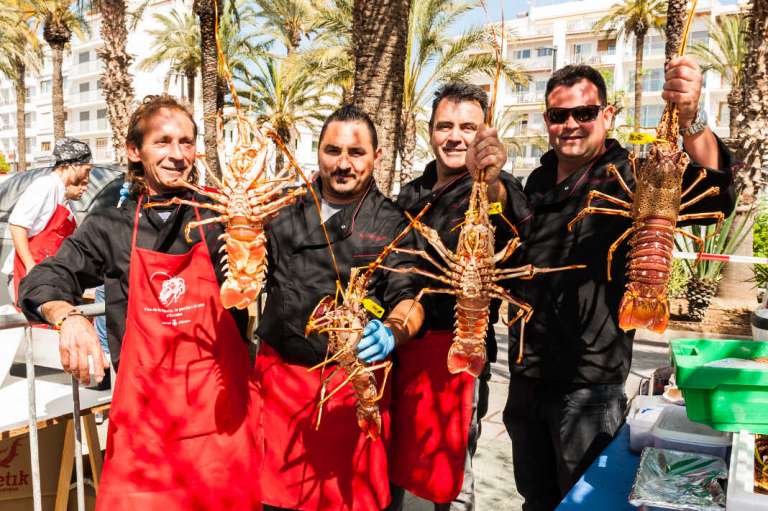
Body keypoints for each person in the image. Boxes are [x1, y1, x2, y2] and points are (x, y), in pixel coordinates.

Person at [503, 61, 736, 510]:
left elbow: (715, 192)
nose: (570, 124)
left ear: (607, 116)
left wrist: (692, 119)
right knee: (534, 496)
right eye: (558, 115)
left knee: (585, 499)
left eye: (584, 113)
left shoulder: (631, 172)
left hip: (588, 382)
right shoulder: (536, 179)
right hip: (526, 375)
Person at [19, 95, 261, 510]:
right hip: (147, 424)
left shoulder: (222, 215)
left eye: (186, 142)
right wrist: (68, 316)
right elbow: (46, 277)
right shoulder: (112, 223)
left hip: (220, 423)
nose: (177, 154)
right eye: (163, 142)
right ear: (135, 150)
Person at [255, 105, 425, 511]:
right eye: (333, 151)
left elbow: (410, 298)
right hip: (280, 386)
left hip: (352, 390)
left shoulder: (393, 223)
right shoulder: (280, 209)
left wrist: (392, 332)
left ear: (376, 157)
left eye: (356, 152)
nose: (344, 163)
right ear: (318, 152)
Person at [390, 82, 530, 511]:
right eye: (444, 126)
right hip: (405, 348)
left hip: (463, 350)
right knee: (395, 454)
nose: (454, 136)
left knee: (454, 467)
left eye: (467, 127)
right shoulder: (412, 193)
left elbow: (523, 242)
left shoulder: (502, 187)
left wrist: (490, 186)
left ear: (484, 133)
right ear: (429, 132)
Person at [2, 137, 91, 305]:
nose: (88, 175)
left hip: (48, 274)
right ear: (73, 165)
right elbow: (17, 226)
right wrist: (31, 267)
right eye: (86, 170)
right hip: (29, 273)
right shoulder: (45, 186)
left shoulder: (64, 195)